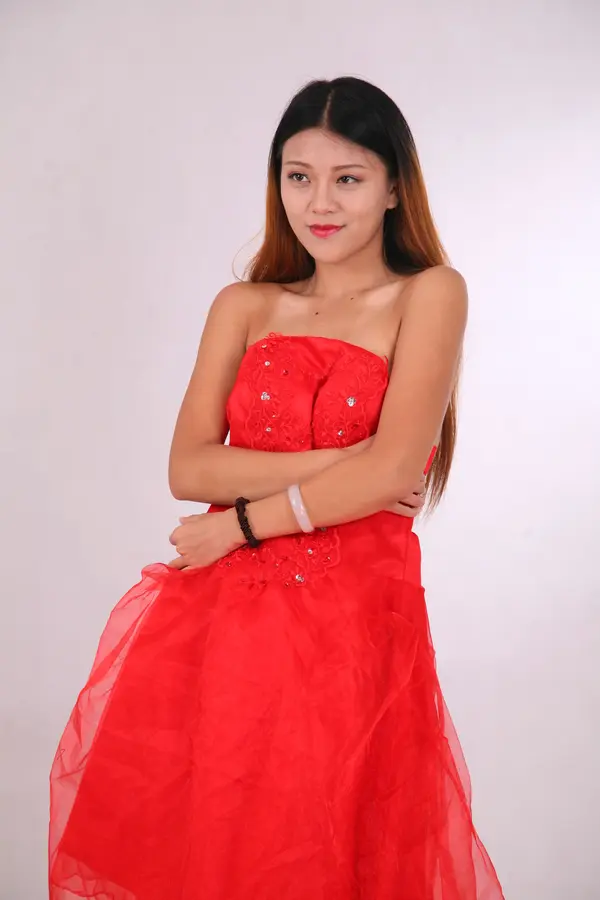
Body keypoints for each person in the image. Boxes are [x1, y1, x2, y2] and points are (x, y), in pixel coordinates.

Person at [49, 76, 505, 900]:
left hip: (353, 624)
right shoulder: (245, 305)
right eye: (299, 177)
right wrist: (355, 461)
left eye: (347, 178)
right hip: (221, 620)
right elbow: (190, 467)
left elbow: (397, 472)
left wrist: (239, 525)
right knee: (215, 852)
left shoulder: (431, 293)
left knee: (317, 854)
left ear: (394, 187)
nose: (319, 202)